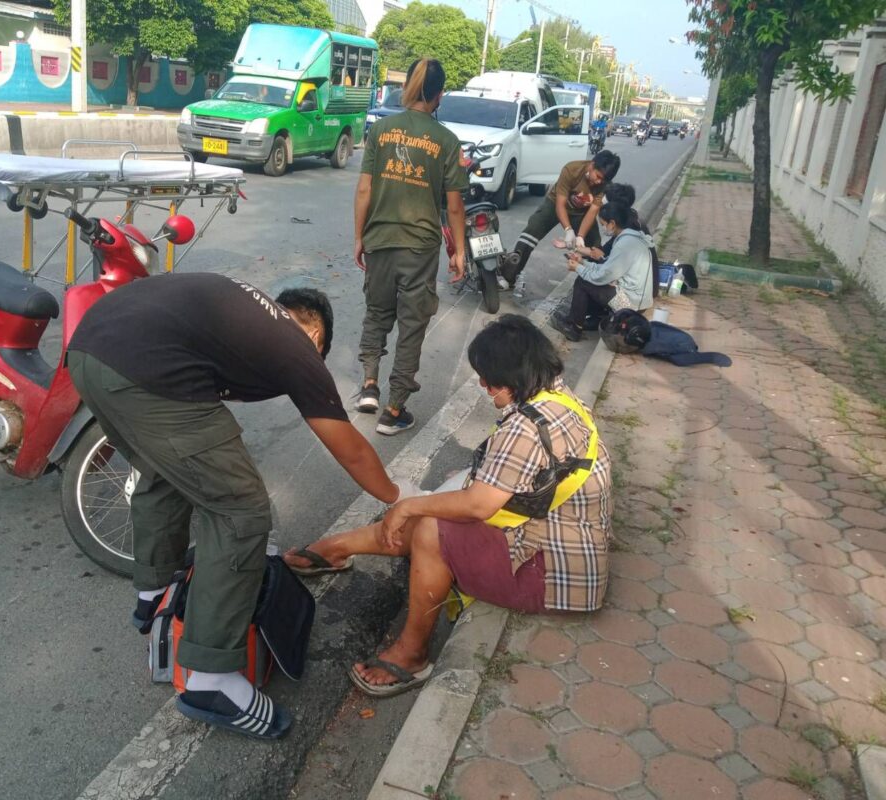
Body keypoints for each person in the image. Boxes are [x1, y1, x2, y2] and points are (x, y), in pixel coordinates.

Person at [67, 272, 417, 740]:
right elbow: (348, 446)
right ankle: (210, 679)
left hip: (90, 350)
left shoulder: (249, 316)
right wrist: (399, 496)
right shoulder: (296, 344)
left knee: (162, 472)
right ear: (316, 333)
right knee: (240, 510)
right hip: (146, 370)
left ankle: (154, 598)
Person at [285, 315, 612, 696]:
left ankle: (412, 655)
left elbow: (477, 505)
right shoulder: (558, 399)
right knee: (434, 509)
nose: (484, 386)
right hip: (564, 549)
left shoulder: (525, 427)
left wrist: (408, 508)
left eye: (488, 379)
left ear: (512, 376)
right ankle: (336, 548)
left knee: (430, 527)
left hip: (553, 577)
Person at [353, 57, 468, 435]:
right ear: (439, 95)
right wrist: (459, 251)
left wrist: (359, 237)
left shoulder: (381, 129)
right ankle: (394, 409)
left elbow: (365, 189)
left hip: (379, 240)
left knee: (376, 313)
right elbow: (454, 205)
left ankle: (369, 386)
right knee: (412, 325)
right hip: (419, 247)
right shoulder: (446, 141)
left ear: (407, 88)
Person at [499, 151, 621, 289]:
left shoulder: (604, 185)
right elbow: (560, 204)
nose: (599, 182)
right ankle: (509, 277)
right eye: (598, 176)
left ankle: (595, 284)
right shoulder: (572, 169)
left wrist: (580, 236)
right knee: (531, 232)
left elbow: (592, 212)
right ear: (592, 165)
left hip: (582, 212)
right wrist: (568, 230)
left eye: (603, 180)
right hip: (555, 204)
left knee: (594, 245)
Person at [550, 199, 655, 342]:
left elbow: (602, 276)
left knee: (583, 282)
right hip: (638, 300)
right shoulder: (632, 238)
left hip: (631, 305)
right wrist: (583, 262)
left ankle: (574, 328)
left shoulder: (624, 244)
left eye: (603, 225)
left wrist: (578, 268)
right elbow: (607, 267)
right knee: (592, 279)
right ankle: (593, 319)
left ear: (612, 223)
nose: (604, 228)